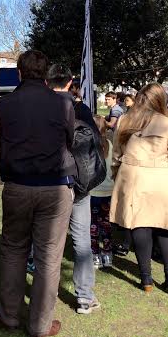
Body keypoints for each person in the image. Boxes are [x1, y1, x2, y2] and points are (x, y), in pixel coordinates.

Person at [0, 50, 75, 337]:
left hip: (19, 184)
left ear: (19, 73)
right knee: (48, 256)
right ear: (46, 74)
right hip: (53, 185)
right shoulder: (63, 103)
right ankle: (39, 324)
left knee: (14, 250)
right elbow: (69, 139)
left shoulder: (4, 105)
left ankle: (9, 315)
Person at [110, 83, 168, 294]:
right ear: (161, 100)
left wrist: (116, 176)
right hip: (162, 180)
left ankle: (146, 278)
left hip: (133, 178)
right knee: (167, 229)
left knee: (139, 227)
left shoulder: (125, 120)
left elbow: (116, 155)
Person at [47, 64, 101, 315]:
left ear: (47, 82)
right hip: (78, 182)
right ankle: (85, 297)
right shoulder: (81, 109)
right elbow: (95, 145)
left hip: (51, 181)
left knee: (49, 240)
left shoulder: (43, 108)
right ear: (70, 83)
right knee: (81, 240)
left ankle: (47, 293)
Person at [91, 115, 115, 268]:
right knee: (105, 224)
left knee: (92, 224)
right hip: (108, 191)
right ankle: (107, 253)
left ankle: (95, 254)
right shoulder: (110, 144)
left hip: (93, 191)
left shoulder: (90, 145)